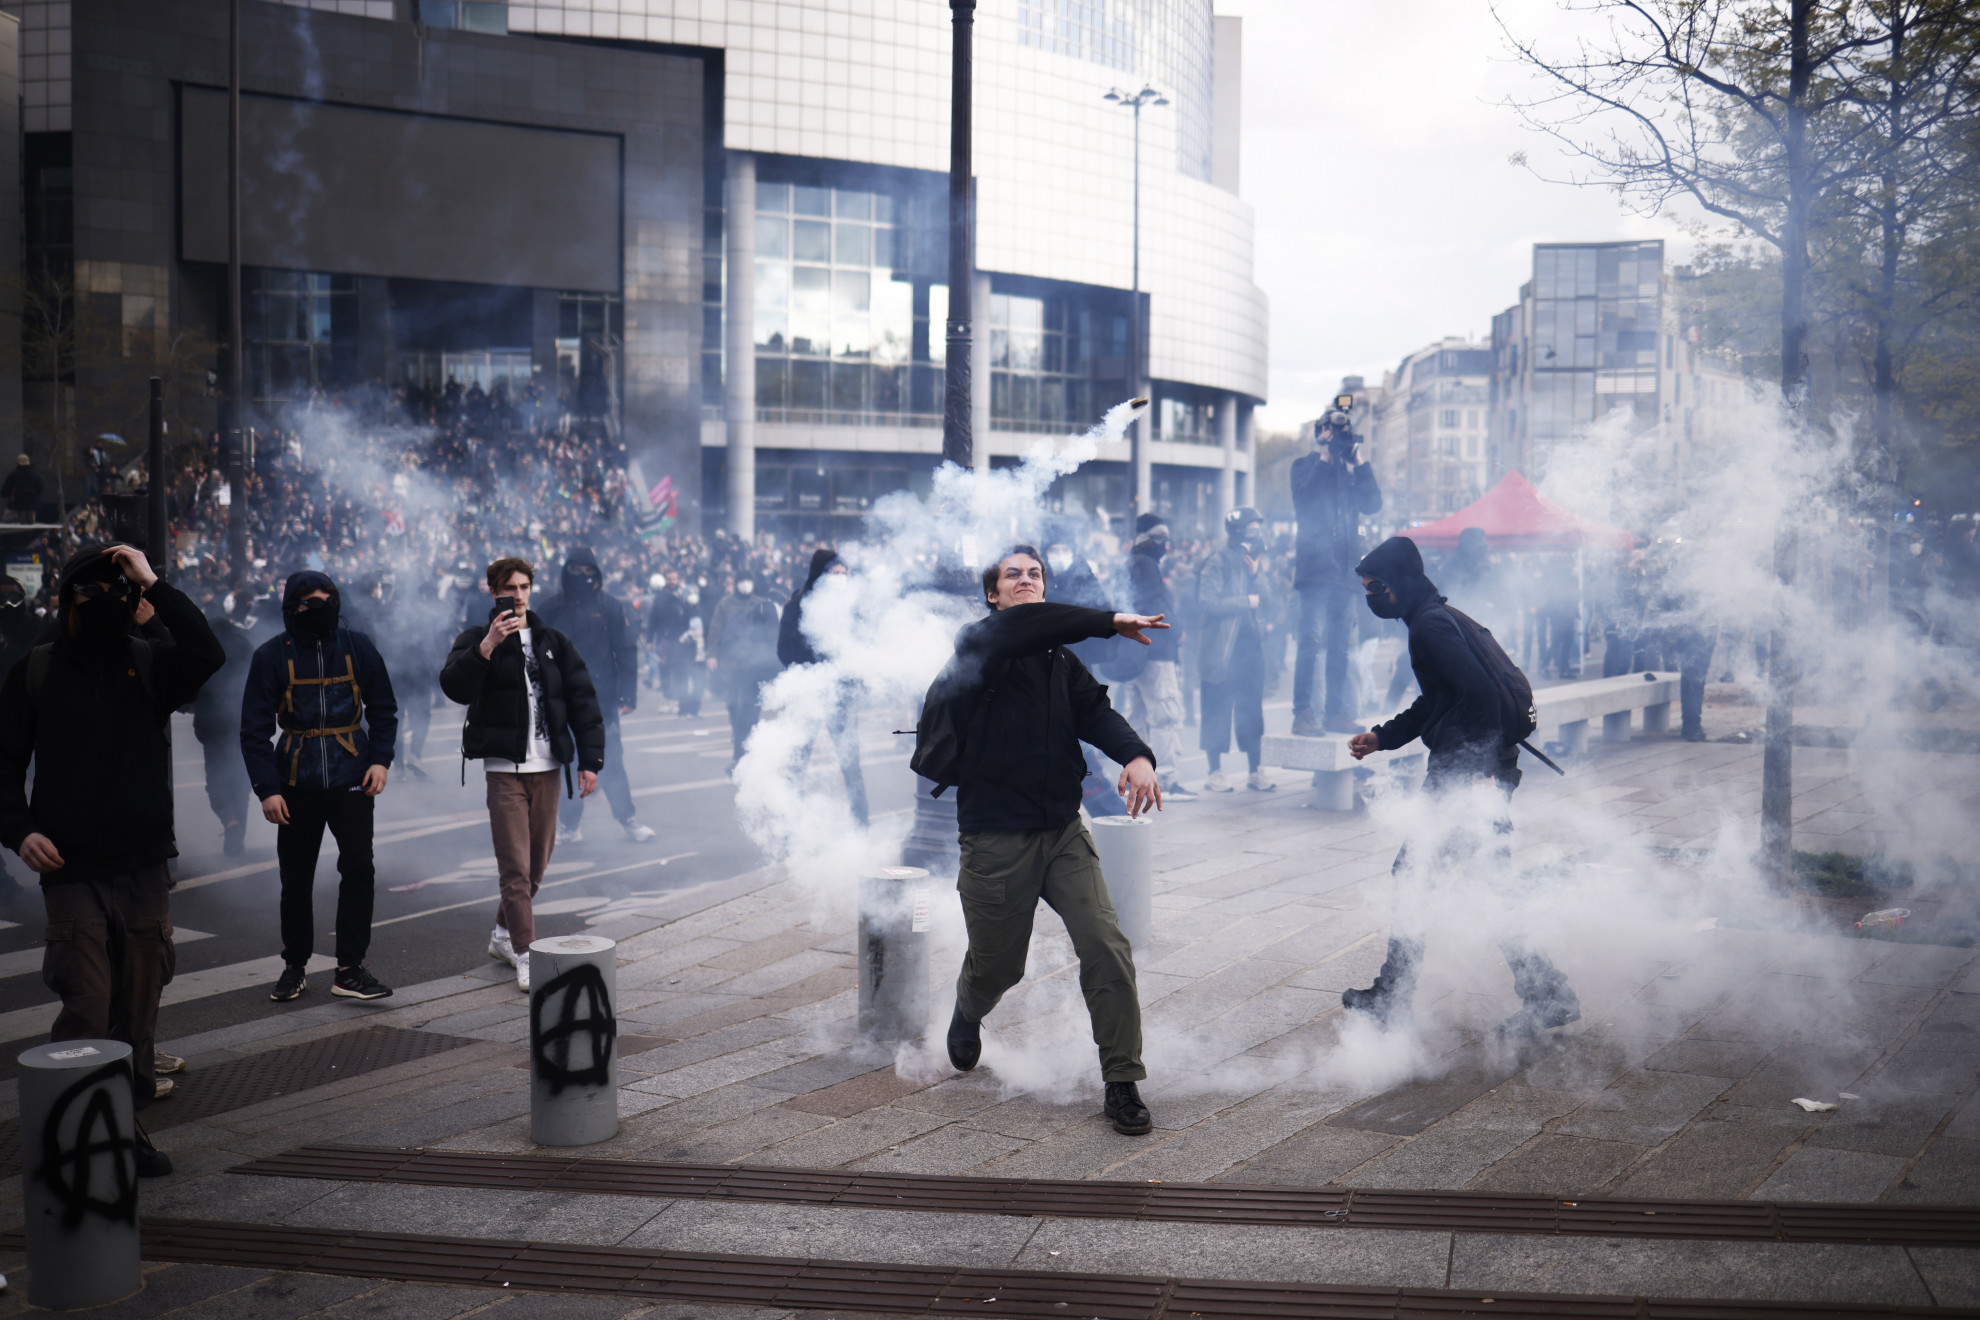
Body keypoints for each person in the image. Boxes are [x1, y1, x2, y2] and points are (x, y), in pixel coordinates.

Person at [0, 544, 224, 1174]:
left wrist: (155, 585)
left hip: (144, 864)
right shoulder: (35, 671)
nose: (105, 603)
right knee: (88, 1002)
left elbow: (208, 654)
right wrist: (18, 830)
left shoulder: (148, 662)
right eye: (90, 593)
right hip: (72, 869)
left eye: (118, 593)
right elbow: (3, 765)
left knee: (140, 1004)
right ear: (66, 601)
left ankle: (122, 1128)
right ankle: (75, 1128)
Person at [932, 544, 1166, 1135]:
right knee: (998, 967)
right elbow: (1027, 626)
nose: (1026, 581)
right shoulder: (978, 645)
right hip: (994, 838)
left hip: (1062, 831)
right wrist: (1108, 620)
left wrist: (1136, 755)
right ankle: (968, 1006)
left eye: (1035, 575)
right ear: (993, 594)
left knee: (1107, 945)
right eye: (1013, 575)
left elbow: (1098, 714)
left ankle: (1122, 1081)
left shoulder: (1061, 661)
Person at [1345, 535, 1580, 1038]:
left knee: (1416, 875)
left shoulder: (1430, 626)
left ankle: (1393, 995)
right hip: (1480, 766)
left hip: (1468, 771)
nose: (1371, 599)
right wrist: (1383, 737)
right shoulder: (1439, 617)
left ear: (1398, 584)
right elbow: (1441, 700)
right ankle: (1545, 991)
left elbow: (1479, 694)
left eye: (1375, 588)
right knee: (1484, 882)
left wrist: (1479, 769)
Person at [441, 557, 605, 993]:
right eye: (508, 588)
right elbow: (454, 686)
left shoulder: (553, 640)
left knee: (536, 866)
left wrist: (590, 761)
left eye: (524, 587)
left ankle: (502, 934)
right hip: (504, 769)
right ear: (491, 590)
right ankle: (526, 953)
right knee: (514, 867)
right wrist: (488, 646)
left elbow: (584, 700)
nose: (517, 595)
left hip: (548, 767)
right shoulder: (477, 637)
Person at [240, 571, 399, 1003]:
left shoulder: (357, 646)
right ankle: (295, 965)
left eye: (328, 597)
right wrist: (267, 790)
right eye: (311, 599)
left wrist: (381, 761)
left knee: (359, 870)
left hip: (352, 777)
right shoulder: (271, 655)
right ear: (293, 606)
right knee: (296, 879)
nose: (322, 605)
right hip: (295, 782)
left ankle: (349, 968)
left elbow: (384, 708)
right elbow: (253, 731)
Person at [543, 547, 654, 842]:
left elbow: (626, 650)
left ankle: (627, 819)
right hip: (561, 699)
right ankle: (568, 826)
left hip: (601, 698)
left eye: (587, 570)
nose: (582, 576)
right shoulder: (551, 607)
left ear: (596, 572)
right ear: (566, 571)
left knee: (611, 761)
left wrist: (628, 694)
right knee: (568, 763)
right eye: (576, 570)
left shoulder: (610, 607)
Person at [1289, 412, 1382, 735]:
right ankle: (1302, 714)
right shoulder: (1305, 465)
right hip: (1315, 570)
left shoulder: (1350, 473)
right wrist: (1326, 456)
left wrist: (1358, 461)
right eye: (1330, 432)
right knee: (1311, 642)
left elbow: (1373, 504)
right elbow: (1305, 498)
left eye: (1340, 433)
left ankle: (1334, 712)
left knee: (1340, 647)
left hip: (1345, 572)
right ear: (1320, 434)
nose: (1336, 437)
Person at [778, 548, 869, 826]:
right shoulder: (797, 605)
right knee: (797, 761)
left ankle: (860, 823)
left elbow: (862, 648)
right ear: (820, 574)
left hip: (840, 695)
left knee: (850, 763)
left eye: (844, 574)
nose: (840, 579)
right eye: (834, 573)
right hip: (809, 692)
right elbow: (784, 651)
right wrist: (812, 662)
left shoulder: (851, 608)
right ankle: (789, 823)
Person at [1195, 507, 1274, 792]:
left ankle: (1256, 770)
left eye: (1258, 528)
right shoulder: (1216, 562)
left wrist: (1256, 574)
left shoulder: (1252, 562)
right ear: (1237, 532)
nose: (1256, 534)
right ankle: (1214, 772)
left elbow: (1267, 597)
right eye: (1251, 529)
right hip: (1220, 652)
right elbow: (1208, 602)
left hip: (1250, 651)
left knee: (1252, 711)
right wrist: (1245, 600)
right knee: (1216, 710)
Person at [1118, 515, 1193, 801]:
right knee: (1165, 715)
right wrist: (1176, 630)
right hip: (1157, 651)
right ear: (1144, 537)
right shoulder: (1146, 565)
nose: (1164, 541)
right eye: (1158, 535)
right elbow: (1154, 604)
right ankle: (1167, 781)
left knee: (1139, 716)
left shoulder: (1132, 564)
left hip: (1139, 653)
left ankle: (1137, 778)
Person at [194, 592, 255, 856]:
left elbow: (192, 683)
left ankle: (229, 820)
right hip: (242, 722)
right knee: (240, 781)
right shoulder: (243, 643)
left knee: (216, 779)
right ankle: (237, 831)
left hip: (213, 725)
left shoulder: (204, 646)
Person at [707, 573, 782, 770]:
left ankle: (744, 747)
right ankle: (740, 736)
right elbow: (715, 630)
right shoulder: (725, 604)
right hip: (733, 664)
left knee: (750, 709)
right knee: (734, 704)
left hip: (754, 665)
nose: (746, 585)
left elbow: (771, 636)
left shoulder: (760, 603)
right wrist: (712, 654)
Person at [1, 454, 43, 523]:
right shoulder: (36, 476)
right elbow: (40, 489)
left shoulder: (13, 475)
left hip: (15, 506)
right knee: (30, 524)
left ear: (17, 463)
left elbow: (5, 491)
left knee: (7, 521)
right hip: (32, 506)